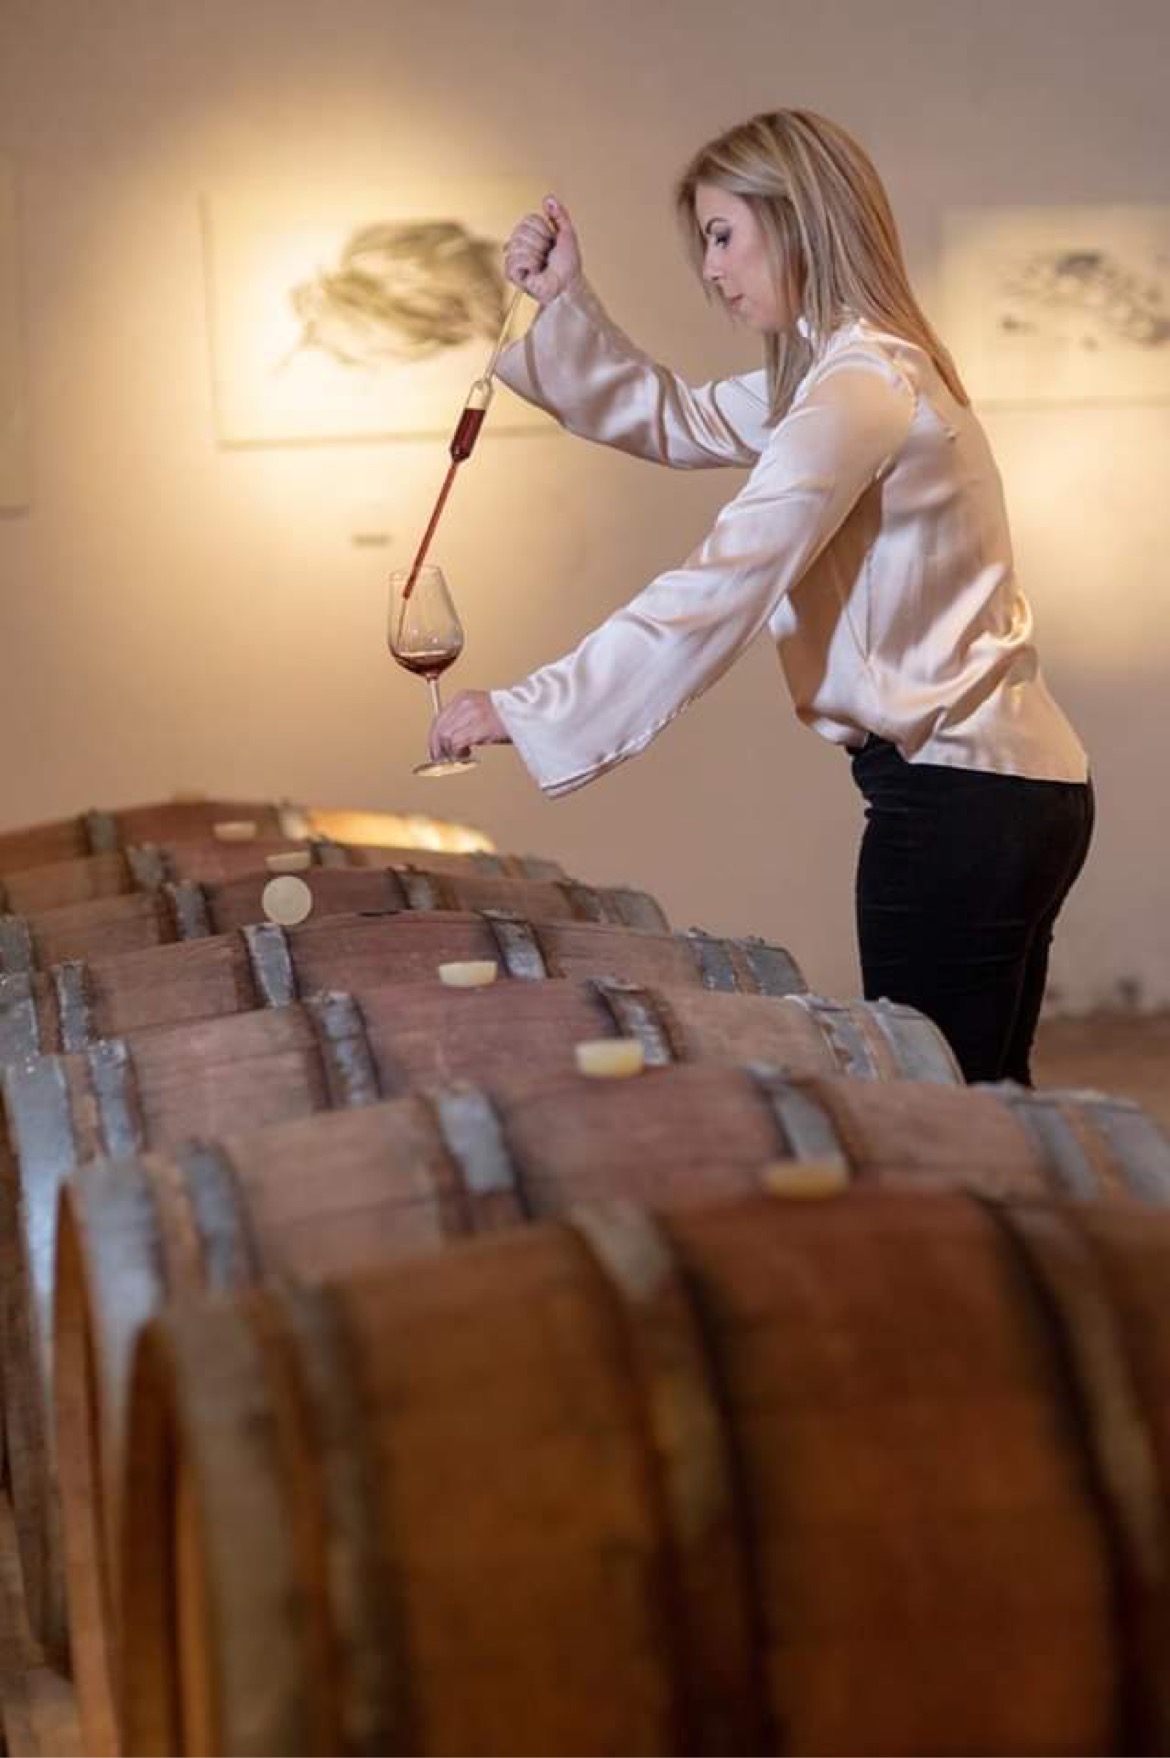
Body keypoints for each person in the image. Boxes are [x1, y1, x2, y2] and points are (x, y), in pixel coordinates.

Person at [428, 108, 1094, 1085]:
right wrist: (562, 302)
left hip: (956, 796)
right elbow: (675, 416)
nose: (711, 270)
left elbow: (728, 577)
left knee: (936, 1109)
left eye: (722, 235)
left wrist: (530, 707)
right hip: (1014, 787)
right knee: (989, 1102)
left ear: (798, 219)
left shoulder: (859, 387)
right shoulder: (856, 369)